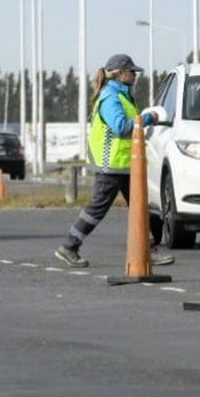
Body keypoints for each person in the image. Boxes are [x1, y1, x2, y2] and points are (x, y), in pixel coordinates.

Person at [55, 54, 173, 269]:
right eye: (132, 72)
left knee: (139, 208)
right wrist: (148, 119)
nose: (135, 76)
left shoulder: (123, 96)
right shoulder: (111, 97)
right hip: (111, 165)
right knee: (98, 208)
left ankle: (149, 251)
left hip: (126, 165)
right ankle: (69, 246)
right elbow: (121, 126)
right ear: (119, 74)